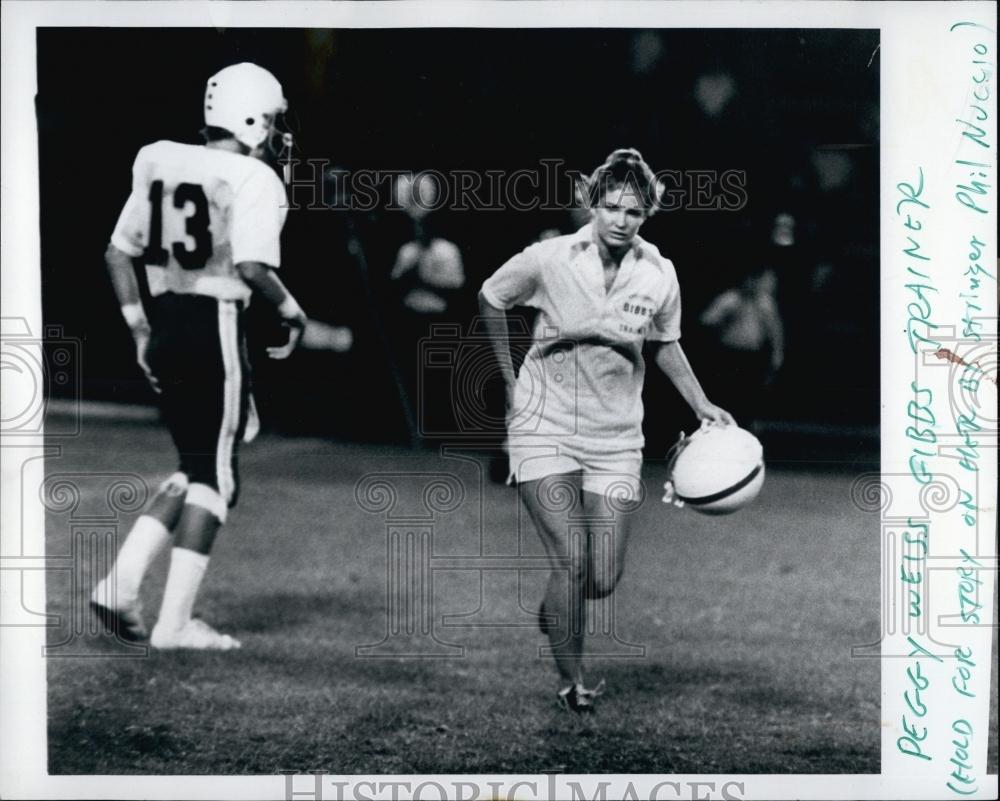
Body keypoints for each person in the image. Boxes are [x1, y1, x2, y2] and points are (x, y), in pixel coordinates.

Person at [478, 148, 733, 712]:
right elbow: (491, 297)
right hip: (542, 425)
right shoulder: (549, 258)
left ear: (648, 215)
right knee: (570, 559)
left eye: (634, 212)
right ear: (593, 204)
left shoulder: (659, 272)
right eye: (611, 207)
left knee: (601, 577)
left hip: (616, 438)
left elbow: (665, 344)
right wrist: (507, 379)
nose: (621, 220)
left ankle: (556, 608)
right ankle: (574, 683)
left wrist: (701, 404)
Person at [89, 63, 307, 650]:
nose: (280, 132)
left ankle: (120, 585)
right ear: (253, 118)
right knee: (218, 478)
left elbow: (117, 253)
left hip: (165, 321)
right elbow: (251, 268)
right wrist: (292, 313)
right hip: (215, 323)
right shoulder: (254, 178)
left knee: (192, 465)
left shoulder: (158, 157)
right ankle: (174, 622)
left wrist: (138, 327)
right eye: (274, 119)